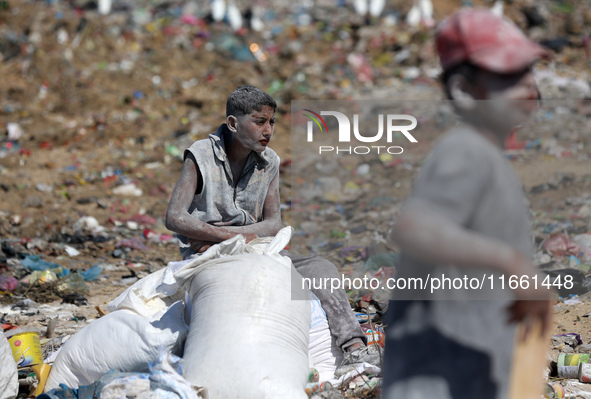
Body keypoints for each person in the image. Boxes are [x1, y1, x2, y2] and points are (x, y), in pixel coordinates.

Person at [381, 8, 554, 399]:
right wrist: (512, 264)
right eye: (508, 75)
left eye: (527, 70)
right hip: (434, 383)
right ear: (462, 89)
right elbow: (414, 228)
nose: (528, 84)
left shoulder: (488, 158)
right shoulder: (465, 150)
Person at [165, 85, 380, 375]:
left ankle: (353, 347)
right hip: (209, 255)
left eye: (272, 122)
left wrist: (223, 235)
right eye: (259, 121)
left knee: (320, 267)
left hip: (254, 247)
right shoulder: (201, 154)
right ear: (232, 123)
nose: (268, 130)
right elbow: (175, 217)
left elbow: (273, 223)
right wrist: (223, 240)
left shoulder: (270, 162)